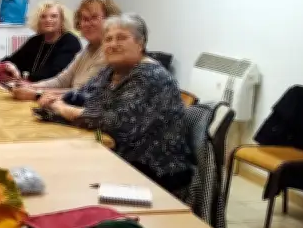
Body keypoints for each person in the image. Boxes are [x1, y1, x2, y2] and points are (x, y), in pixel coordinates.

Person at [44, 13, 193, 195]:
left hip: (152, 170)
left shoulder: (150, 76)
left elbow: (114, 121)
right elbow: (84, 95)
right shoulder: (111, 70)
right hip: (116, 155)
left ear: (140, 43)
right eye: (108, 39)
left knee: (64, 178)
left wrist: (63, 109)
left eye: (121, 38)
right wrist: (55, 100)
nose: (113, 44)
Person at [12, 0, 121, 101]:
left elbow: (84, 93)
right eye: (84, 19)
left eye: (94, 17)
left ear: (110, 20)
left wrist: (36, 93)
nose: (88, 23)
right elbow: (61, 80)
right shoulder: (86, 51)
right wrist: (31, 86)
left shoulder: (110, 53)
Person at [0, 0, 81, 82]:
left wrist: (23, 78)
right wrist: (6, 66)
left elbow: (54, 72)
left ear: (62, 20)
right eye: (43, 16)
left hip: (54, 88)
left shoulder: (70, 42)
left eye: (53, 16)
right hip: (27, 84)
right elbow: (14, 59)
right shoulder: (35, 40)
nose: (48, 20)